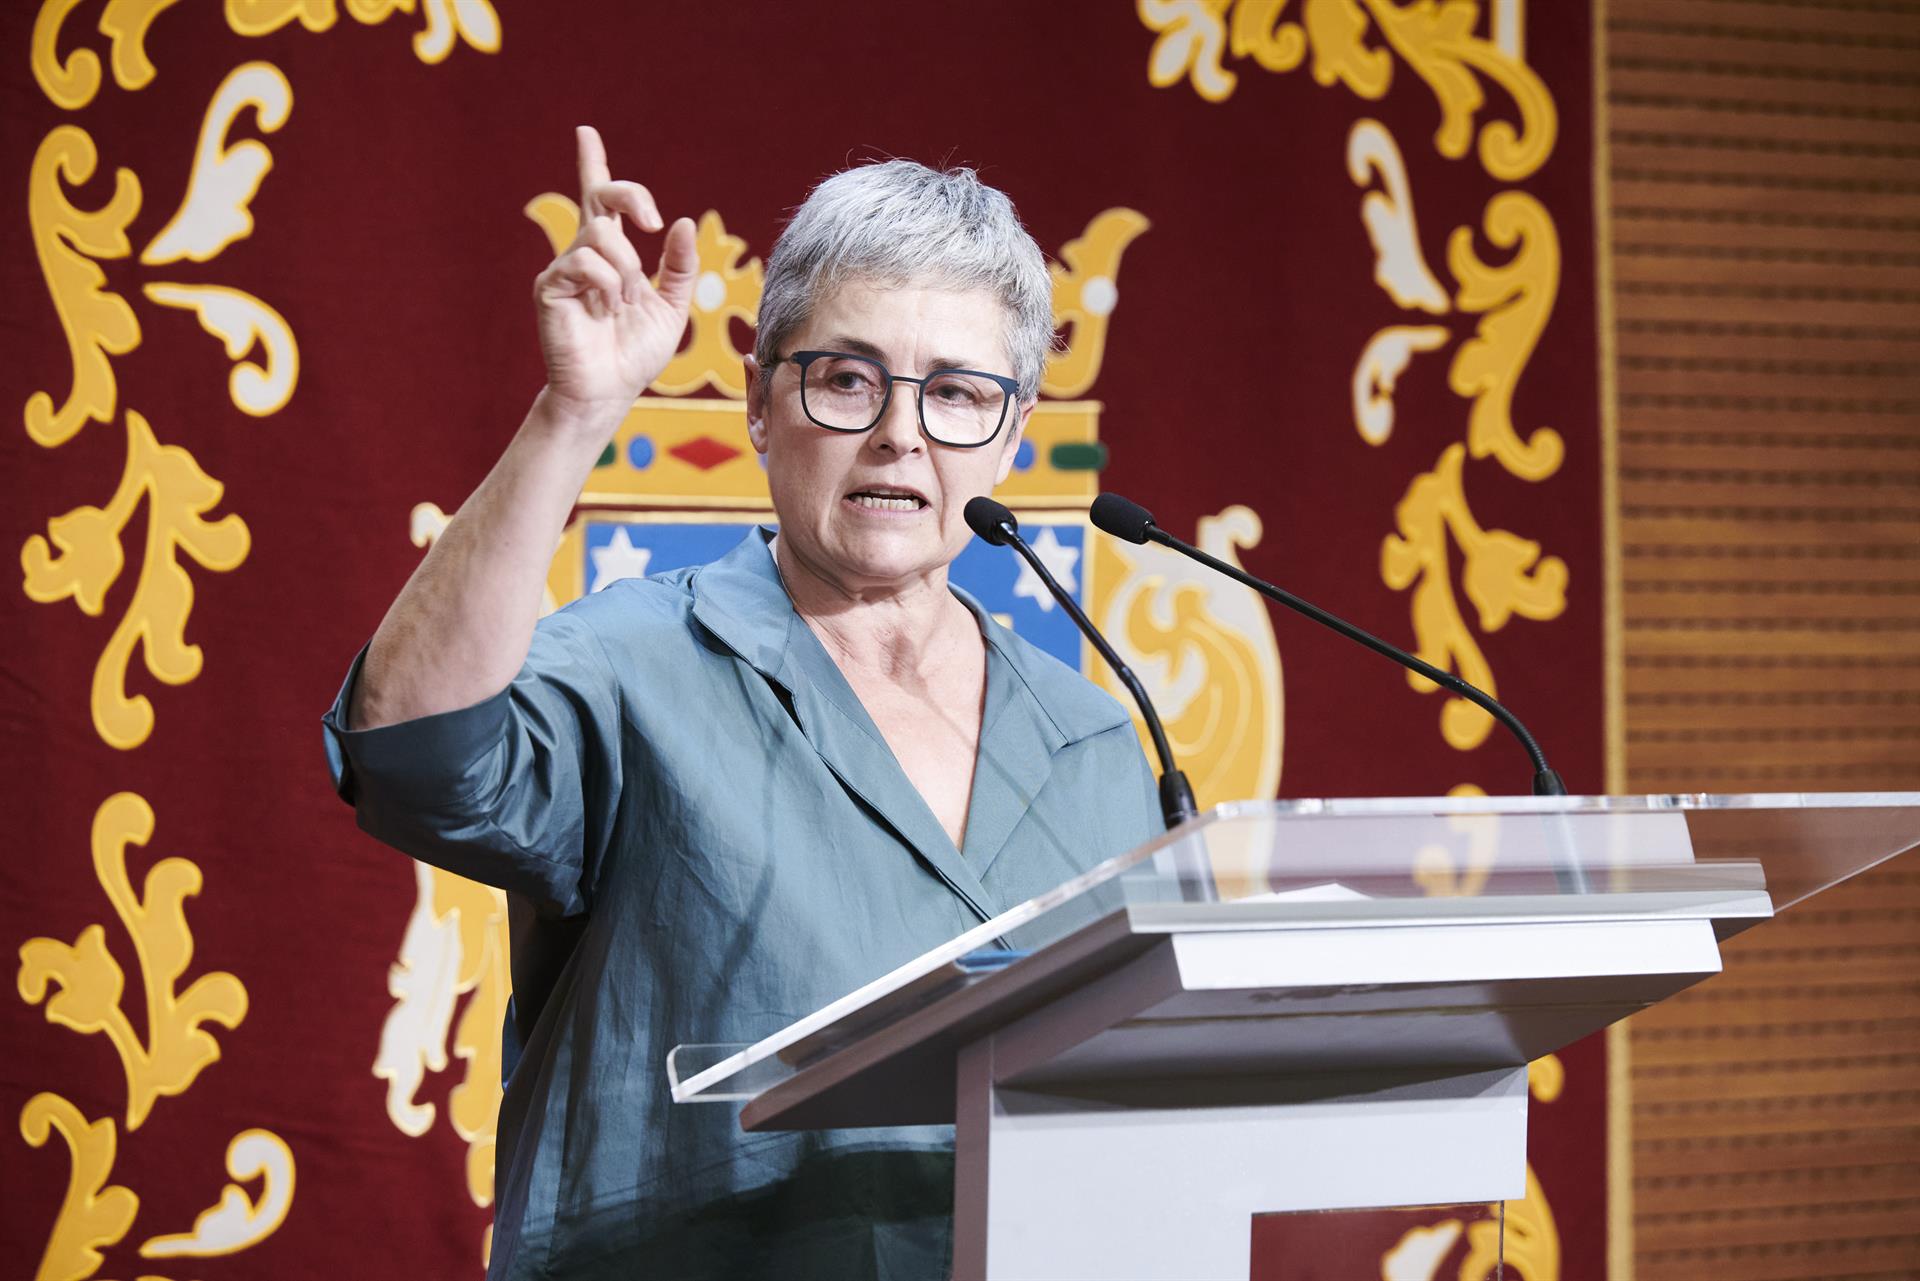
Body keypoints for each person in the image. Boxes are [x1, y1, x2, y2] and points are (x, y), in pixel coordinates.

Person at [322, 126, 1159, 1279]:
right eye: (849, 378)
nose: (901, 432)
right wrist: (573, 413)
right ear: (763, 404)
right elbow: (413, 754)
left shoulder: (1100, 740)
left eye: (959, 392)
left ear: (1011, 437)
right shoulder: (632, 665)